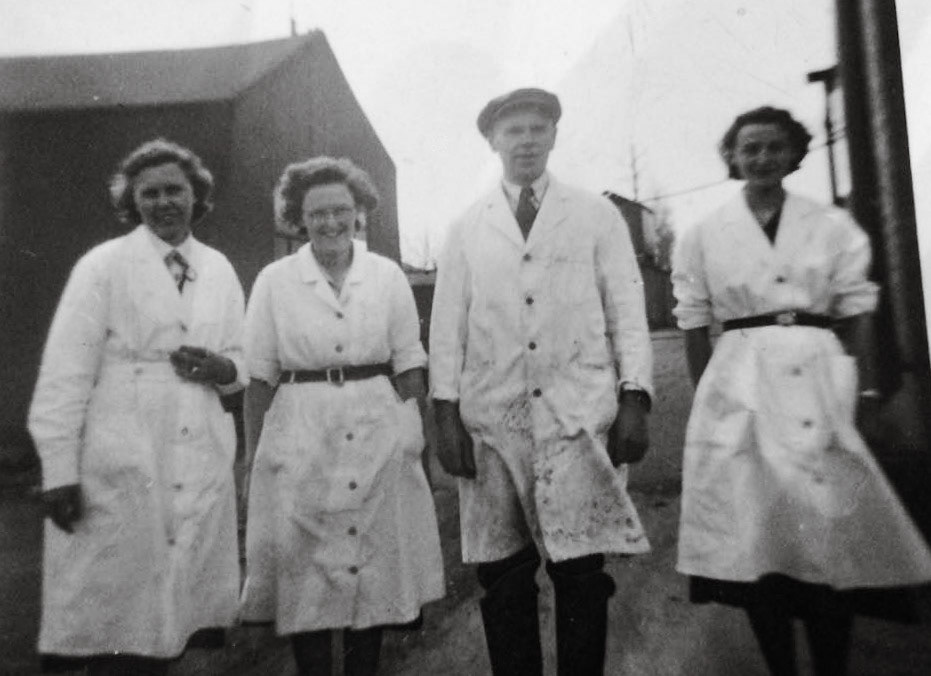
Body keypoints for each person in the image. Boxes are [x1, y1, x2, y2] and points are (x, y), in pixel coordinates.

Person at [673, 106, 931, 676]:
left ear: (794, 154)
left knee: (825, 541)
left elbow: (858, 309)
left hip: (818, 380)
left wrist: (858, 393)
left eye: (773, 146)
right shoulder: (703, 234)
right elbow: (693, 321)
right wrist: (707, 400)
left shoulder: (831, 227)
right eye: (750, 148)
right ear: (733, 158)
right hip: (741, 386)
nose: (762, 157)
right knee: (760, 544)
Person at [429, 87, 654, 676]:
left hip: (577, 415)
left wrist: (635, 399)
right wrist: (445, 416)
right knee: (503, 578)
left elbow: (627, 311)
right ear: (492, 141)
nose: (525, 140)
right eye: (513, 131)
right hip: (492, 423)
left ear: (554, 135)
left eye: (537, 128)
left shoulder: (595, 214)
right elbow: (446, 327)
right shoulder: (466, 227)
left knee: (581, 573)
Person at [28, 138, 245, 675]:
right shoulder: (102, 265)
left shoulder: (218, 267)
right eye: (149, 193)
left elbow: (243, 359)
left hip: (196, 447)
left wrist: (222, 369)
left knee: (173, 615)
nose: (164, 202)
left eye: (176, 190)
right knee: (116, 617)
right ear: (132, 202)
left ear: (197, 196)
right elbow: (64, 372)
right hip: (122, 451)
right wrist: (58, 470)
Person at [239, 156, 444, 676]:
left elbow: (410, 363)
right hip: (300, 429)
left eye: (341, 211)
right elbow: (259, 376)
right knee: (305, 569)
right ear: (297, 218)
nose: (330, 222)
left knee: (370, 567)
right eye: (316, 213)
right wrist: (251, 457)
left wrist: (414, 442)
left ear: (359, 214)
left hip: (377, 426)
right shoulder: (274, 280)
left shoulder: (386, 275)